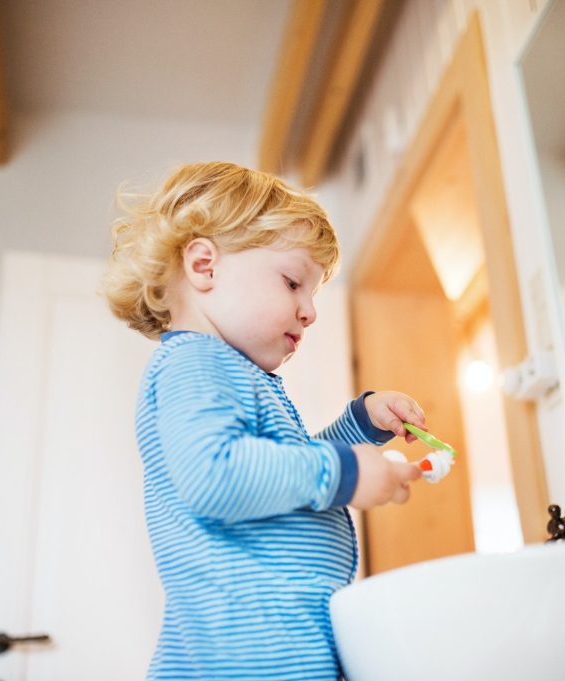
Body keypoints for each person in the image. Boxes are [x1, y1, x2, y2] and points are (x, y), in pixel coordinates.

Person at [102, 161, 426, 680]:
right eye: (293, 282)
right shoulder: (195, 362)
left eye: (313, 295)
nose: (309, 312)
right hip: (240, 664)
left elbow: (280, 473)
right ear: (204, 266)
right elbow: (217, 476)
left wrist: (360, 425)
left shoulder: (233, 372)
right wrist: (345, 472)